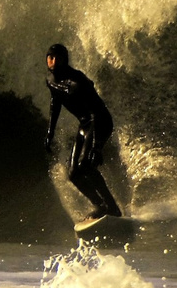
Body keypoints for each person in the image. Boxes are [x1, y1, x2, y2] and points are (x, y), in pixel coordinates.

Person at [44, 43, 122, 220]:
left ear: (65, 60)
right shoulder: (50, 80)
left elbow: (96, 113)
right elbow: (55, 103)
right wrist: (50, 132)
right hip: (85, 125)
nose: (53, 62)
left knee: (86, 167)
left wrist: (97, 147)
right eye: (50, 58)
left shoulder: (77, 82)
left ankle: (113, 208)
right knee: (73, 174)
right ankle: (100, 205)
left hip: (100, 122)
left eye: (57, 58)